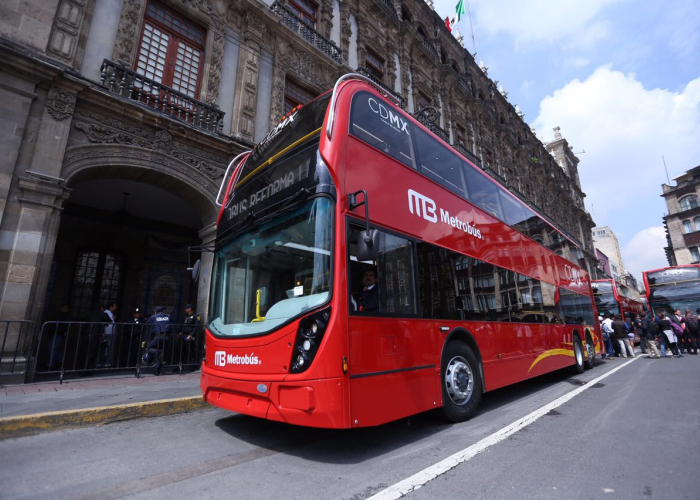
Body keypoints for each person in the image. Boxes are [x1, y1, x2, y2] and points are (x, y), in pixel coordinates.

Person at [143, 306, 171, 375]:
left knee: (147, 346)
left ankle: (155, 352)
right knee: (160, 353)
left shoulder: (153, 317)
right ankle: (157, 370)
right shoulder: (168, 316)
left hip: (158, 337)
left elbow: (147, 324)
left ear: (155, 311)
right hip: (166, 337)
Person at [47, 305, 72, 369]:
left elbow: (65, 325)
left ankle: (53, 361)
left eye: (65, 308)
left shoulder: (66, 316)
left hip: (59, 333)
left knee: (53, 348)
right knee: (50, 347)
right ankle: (57, 359)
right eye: (62, 308)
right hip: (53, 332)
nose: (63, 309)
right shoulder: (58, 315)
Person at [179, 304, 201, 371]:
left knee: (191, 350)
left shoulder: (196, 316)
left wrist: (192, 335)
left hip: (190, 336)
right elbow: (182, 325)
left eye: (186, 308)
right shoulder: (185, 316)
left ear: (190, 309)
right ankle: (180, 365)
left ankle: (192, 365)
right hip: (184, 335)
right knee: (182, 350)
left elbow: (196, 326)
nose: (185, 310)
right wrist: (180, 331)